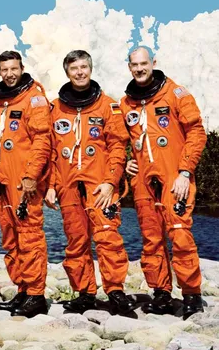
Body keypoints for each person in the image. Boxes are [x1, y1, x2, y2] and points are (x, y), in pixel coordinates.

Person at [44, 50, 134, 315]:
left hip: (100, 185)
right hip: (68, 185)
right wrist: (51, 185)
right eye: (74, 68)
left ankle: (115, 292)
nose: (80, 72)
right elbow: (50, 151)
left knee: (108, 238)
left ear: (91, 69)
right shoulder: (55, 108)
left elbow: (118, 147)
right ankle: (85, 293)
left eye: (84, 67)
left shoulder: (108, 105)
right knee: (76, 240)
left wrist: (111, 182)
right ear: (67, 73)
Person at [121, 46, 206, 319]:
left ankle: (191, 294)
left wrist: (185, 171)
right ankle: (161, 293)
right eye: (134, 65)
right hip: (143, 179)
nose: (139, 69)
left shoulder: (176, 94)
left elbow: (197, 132)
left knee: (180, 235)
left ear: (153, 62)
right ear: (129, 67)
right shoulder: (126, 103)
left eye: (143, 63)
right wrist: (126, 162)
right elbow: (117, 141)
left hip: (174, 176)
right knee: (151, 238)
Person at [0, 51, 51, 317]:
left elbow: (42, 142)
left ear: (22, 68)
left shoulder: (34, 99)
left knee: (29, 236)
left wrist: (31, 176)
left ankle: (36, 295)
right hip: (1, 181)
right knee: (11, 238)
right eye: (5, 70)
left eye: (13, 69)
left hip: (23, 182)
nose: (9, 74)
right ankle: (22, 290)